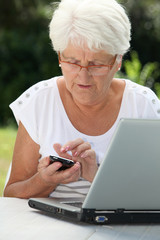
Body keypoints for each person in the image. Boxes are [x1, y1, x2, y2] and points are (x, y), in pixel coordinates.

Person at [4, 0, 160, 199]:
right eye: (73, 62)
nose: (83, 77)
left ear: (118, 60)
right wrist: (45, 181)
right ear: (60, 56)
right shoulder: (40, 102)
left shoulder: (143, 106)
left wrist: (95, 176)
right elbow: (10, 195)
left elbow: (153, 195)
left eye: (96, 64)